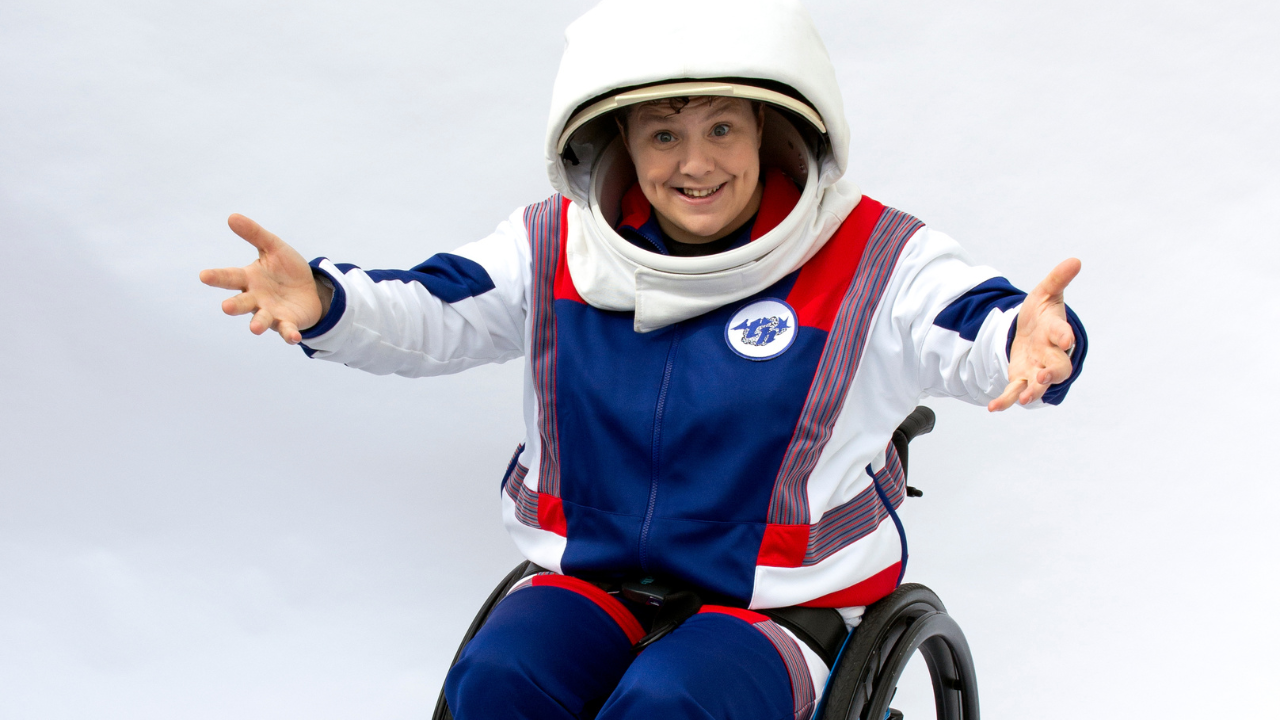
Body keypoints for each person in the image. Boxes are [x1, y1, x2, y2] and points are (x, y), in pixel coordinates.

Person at [200, 1, 1087, 718]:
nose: (693, 163)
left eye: (721, 129)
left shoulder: (873, 257)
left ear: (773, 134)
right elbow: (436, 305)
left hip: (780, 603)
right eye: (662, 134)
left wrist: (1029, 338)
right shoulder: (555, 244)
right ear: (619, 143)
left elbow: (970, 320)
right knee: (496, 682)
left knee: (671, 705)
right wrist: (327, 301)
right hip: (597, 576)